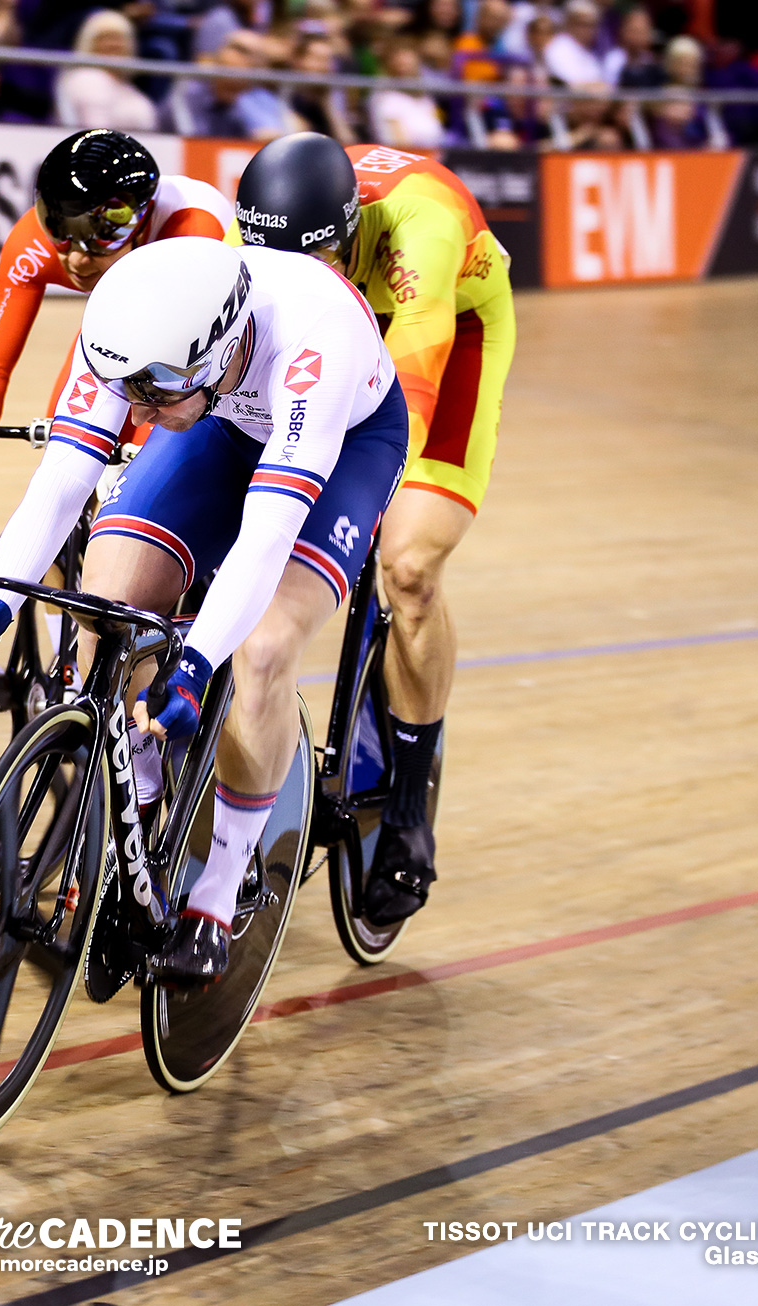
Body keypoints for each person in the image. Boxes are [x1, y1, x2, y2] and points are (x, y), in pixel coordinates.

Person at [0, 237, 409, 982]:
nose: (139, 406)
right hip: (220, 423)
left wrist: (193, 663)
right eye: (131, 392)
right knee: (107, 600)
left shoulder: (317, 340)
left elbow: (266, 534)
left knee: (264, 648)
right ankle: (139, 790)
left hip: (345, 441)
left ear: (219, 350)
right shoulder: (135, 347)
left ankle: (216, 898)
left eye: (155, 391)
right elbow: (56, 489)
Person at [232, 133, 515, 927]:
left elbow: (409, 389)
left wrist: (348, 495)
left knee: (408, 570)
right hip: (332, 329)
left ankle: (410, 808)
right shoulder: (250, 226)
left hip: (446, 330)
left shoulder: (420, 228)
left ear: (350, 231)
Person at [0, 128, 231, 513]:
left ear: (142, 226)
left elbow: (186, 378)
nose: (76, 260)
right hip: (120, 312)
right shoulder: (32, 243)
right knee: (65, 461)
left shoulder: (191, 233)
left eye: (99, 241)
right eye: (63, 238)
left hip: (195, 338)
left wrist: (143, 458)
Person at [55, 7, 159, 131]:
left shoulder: (128, 87)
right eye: (105, 38)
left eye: (119, 38)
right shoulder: (87, 78)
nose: (114, 44)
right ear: (89, 43)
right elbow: (96, 129)